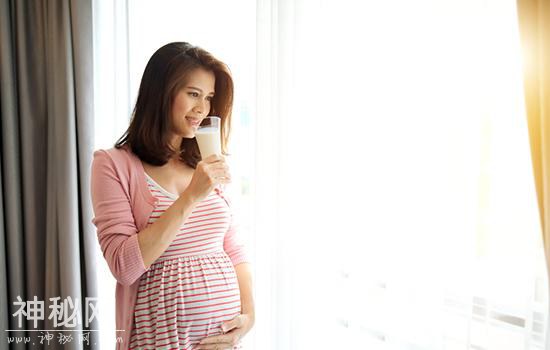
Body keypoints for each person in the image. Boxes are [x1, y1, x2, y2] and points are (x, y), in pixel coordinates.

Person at [91, 42, 254, 350]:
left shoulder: (205, 160)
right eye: (193, 94)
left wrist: (249, 317)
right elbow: (124, 266)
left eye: (208, 98)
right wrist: (190, 196)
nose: (202, 108)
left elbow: (234, 248)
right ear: (161, 92)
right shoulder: (112, 164)